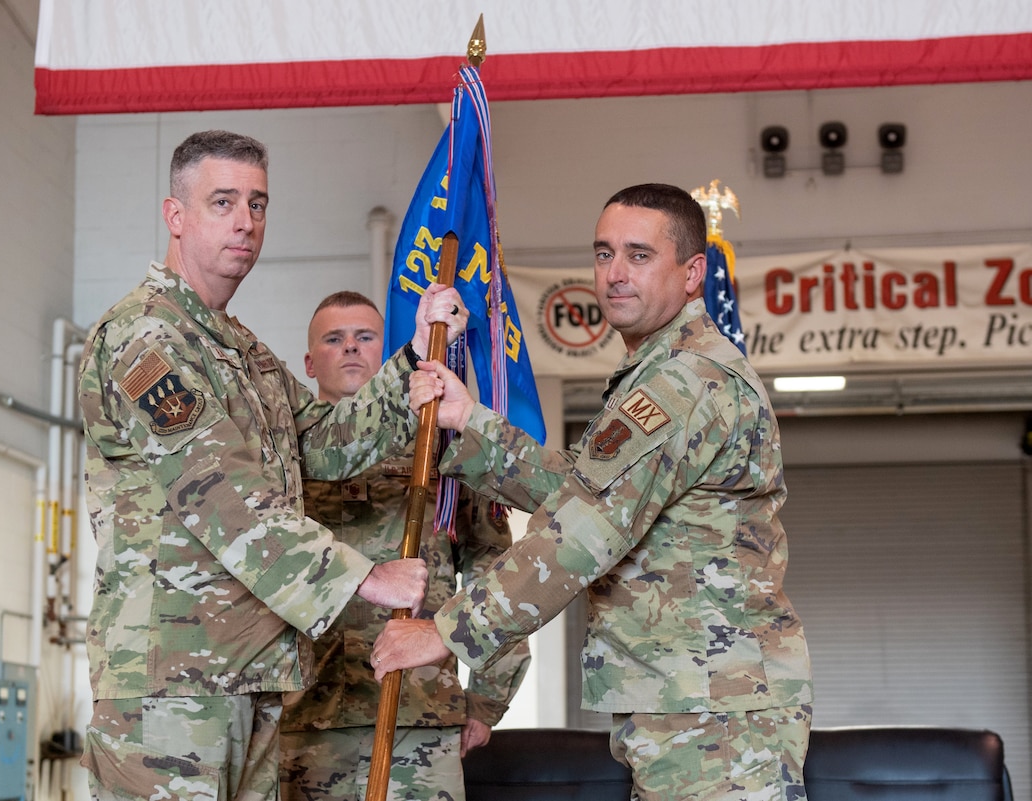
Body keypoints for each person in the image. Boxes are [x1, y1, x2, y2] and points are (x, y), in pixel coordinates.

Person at [372, 184, 814, 801]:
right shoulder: (663, 370)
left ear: (693, 274)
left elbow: (582, 530)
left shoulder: (684, 380)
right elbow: (582, 490)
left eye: (638, 255)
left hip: (714, 715)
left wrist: (446, 632)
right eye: (604, 254)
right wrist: (468, 422)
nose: (614, 274)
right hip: (690, 700)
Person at [77, 130, 468, 801]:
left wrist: (408, 359)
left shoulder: (240, 350)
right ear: (175, 216)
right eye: (222, 201)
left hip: (250, 671)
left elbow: (321, 443)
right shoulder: (145, 335)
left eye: (257, 204)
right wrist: (364, 576)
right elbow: (221, 493)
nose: (245, 221)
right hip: (171, 686)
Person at [279, 292, 530, 801]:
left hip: (418, 715)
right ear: (309, 362)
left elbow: (495, 569)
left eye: (364, 337)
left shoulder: (435, 446)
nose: (350, 347)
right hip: (304, 716)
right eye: (334, 339)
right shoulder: (284, 460)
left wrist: (486, 701)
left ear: (387, 350)